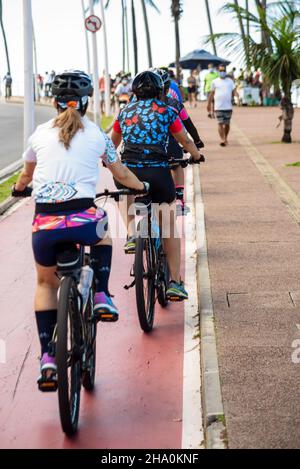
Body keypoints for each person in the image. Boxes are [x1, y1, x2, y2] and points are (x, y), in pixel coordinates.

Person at [11, 70, 148, 387]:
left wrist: (19, 190)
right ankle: (100, 293)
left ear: (55, 103)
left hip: (45, 224)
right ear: (86, 102)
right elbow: (121, 172)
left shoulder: (39, 134)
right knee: (105, 232)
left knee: (46, 283)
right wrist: (139, 185)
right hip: (83, 220)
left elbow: (25, 177)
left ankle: (48, 357)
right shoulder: (98, 135)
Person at [110, 70, 201, 301]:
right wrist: (196, 155)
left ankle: (131, 233)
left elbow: (111, 144)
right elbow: (184, 140)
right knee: (169, 224)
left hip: (129, 172)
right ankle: (175, 282)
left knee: (123, 193)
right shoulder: (167, 112)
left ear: (134, 92)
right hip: (158, 173)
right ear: (160, 91)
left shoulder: (123, 112)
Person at [153, 67, 204, 215]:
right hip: (171, 145)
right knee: (177, 164)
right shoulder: (174, 105)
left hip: (145, 150)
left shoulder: (138, 106)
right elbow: (189, 124)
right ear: (167, 87)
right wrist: (198, 142)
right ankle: (180, 198)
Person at [207, 64, 240, 147]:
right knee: (220, 123)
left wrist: (237, 98)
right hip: (218, 107)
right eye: (221, 71)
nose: (222, 72)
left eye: (223, 71)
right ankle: (223, 139)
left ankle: (226, 137)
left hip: (228, 106)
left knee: (227, 124)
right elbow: (211, 94)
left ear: (226, 71)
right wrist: (208, 104)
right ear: (218, 71)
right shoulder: (214, 82)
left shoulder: (230, 81)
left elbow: (234, 91)